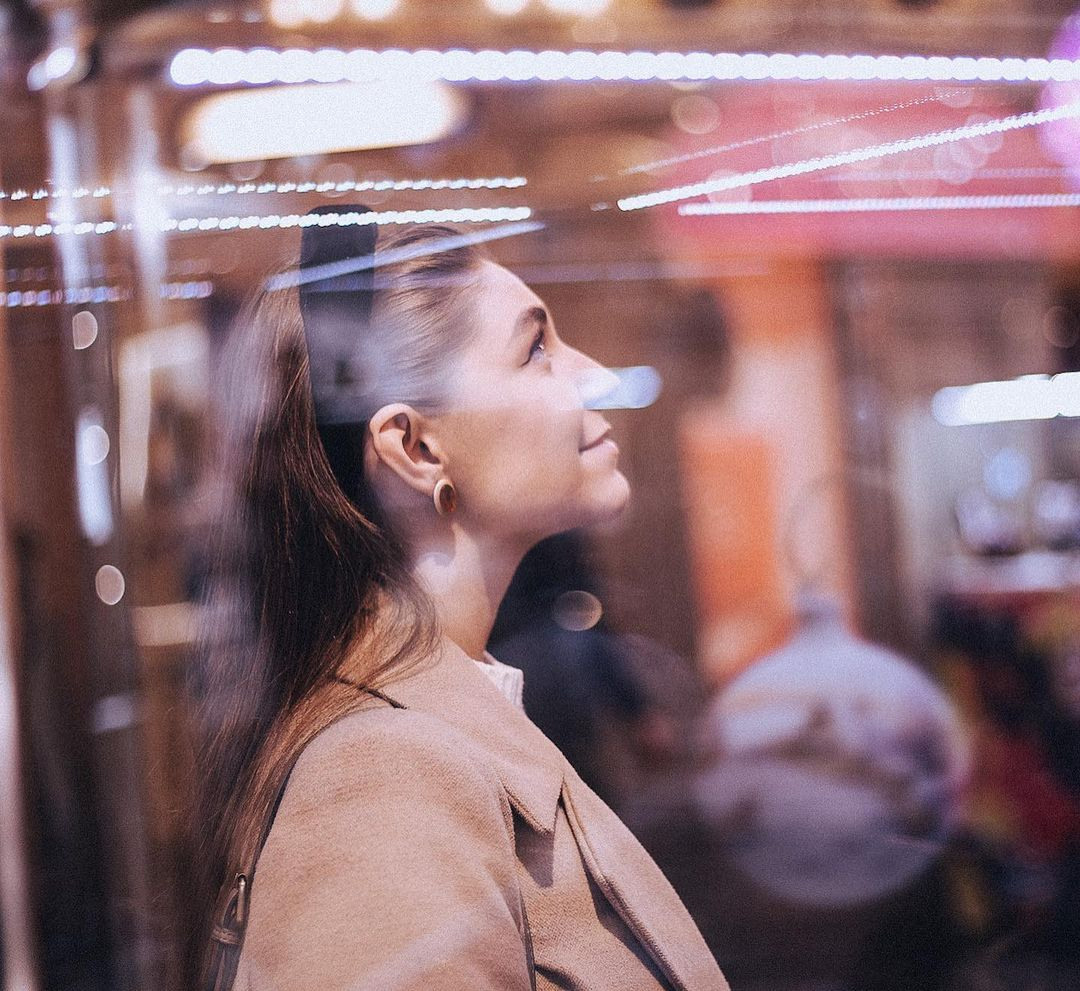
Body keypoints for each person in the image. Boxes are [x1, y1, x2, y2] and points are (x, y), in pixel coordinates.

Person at [188, 207, 729, 991]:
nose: (593, 373)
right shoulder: (386, 781)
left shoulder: (434, 734)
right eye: (535, 349)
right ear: (416, 448)